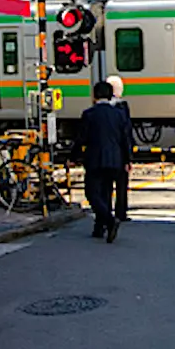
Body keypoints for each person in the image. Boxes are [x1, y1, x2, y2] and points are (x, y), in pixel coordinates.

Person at [74, 80, 132, 243]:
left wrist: (73, 157)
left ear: (94, 96)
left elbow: (81, 138)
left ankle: (109, 220)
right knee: (106, 192)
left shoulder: (89, 114)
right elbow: (125, 139)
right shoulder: (119, 114)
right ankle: (99, 228)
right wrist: (127, 160)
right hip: (115, 159)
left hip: (95, 159)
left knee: (92, 193)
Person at [107, 75, 132, 222]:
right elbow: (126, 133)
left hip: (105, 153)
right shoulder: (122, 107)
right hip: (120, 153)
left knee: (106, 186)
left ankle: (106, 212)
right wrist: (129, 158)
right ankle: (120, 212)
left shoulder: (98, 108)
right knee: (122, 185)